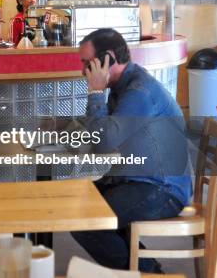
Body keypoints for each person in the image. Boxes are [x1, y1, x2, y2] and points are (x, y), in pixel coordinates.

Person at [71, 28, 192, 273]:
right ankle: (143, 266)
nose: (83, 70)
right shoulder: (123, 87)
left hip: (162, 189)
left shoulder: (139, 92)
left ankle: (149, 273)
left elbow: (103, 142)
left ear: (108, 59)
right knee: (75, 205)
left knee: (86, 222)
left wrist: (95, 92)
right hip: (137, 179)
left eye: (86, 63)